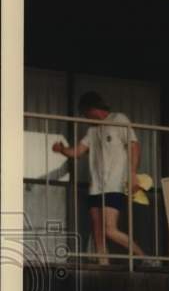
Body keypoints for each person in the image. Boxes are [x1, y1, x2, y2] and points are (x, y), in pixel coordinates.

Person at [52, 91, 145, 260]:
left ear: (92, 109)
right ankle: (103, 265)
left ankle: (145, 258)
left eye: (85, 113)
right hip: (95, 186)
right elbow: (78, 152)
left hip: (114, 184)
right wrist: (62, 150)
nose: (85, 117)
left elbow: (134, 146)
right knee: (98, 232)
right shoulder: (91, 131)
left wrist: (132, 174)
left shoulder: (119, 119)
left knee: (110, 229)